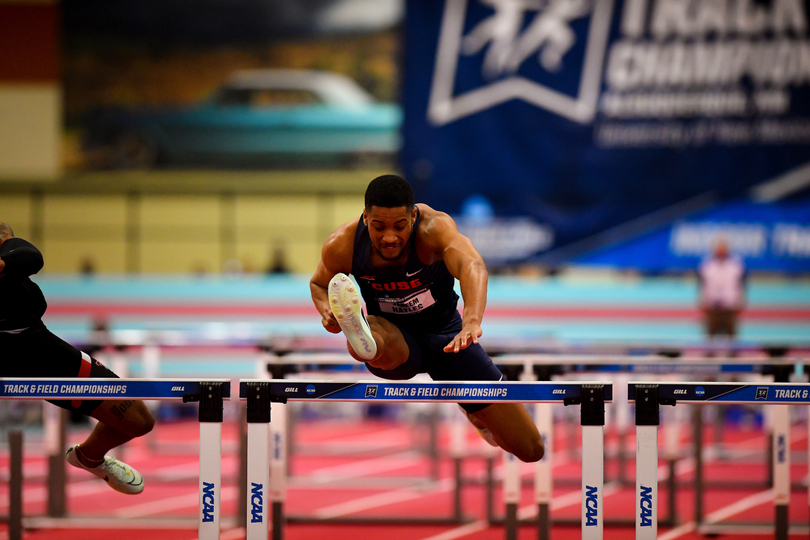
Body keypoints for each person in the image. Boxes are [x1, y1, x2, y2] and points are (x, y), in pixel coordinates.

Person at [310, 175, 544, 462]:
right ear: (365, 217)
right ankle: (359, 336)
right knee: (374, 338)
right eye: (379, 226)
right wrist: (327, 311)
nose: (389, 237)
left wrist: (471, 321)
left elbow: (472, 266)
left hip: (450, 341)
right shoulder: (343, 244)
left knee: (531, 449)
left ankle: (477, 414)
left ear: (413, 216)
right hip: (395, 341)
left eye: (399, 226)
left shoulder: (434, 228)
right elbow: (320, 283)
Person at [0, 222, 154, 494]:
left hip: (37, 348)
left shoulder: (8, 248)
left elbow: (31, 256)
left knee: (139, 420)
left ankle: (89, 456)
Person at [698, 238, 746, 353]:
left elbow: (741, 285)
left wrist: (741, 302)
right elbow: (702, 285)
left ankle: (735, 367)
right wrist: (702, 301)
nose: (721, 252)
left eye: (723, 250)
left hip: (729, 308)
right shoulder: (706, 266)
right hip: (712, 309)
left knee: (733, 344)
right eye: (718, 250)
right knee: (709, 344)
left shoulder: (736, 267)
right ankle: (708, 367)